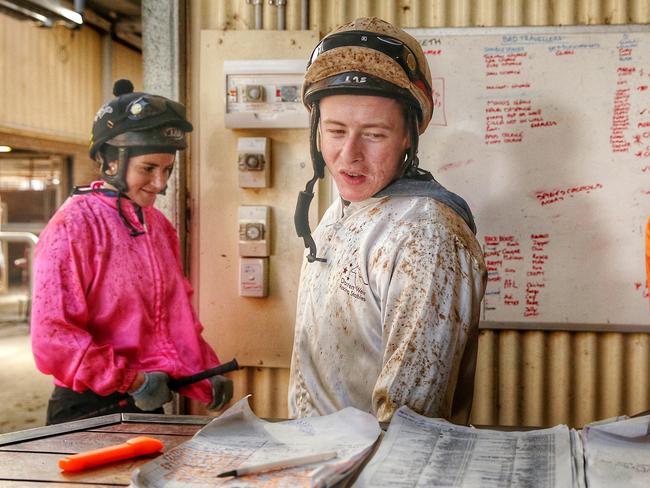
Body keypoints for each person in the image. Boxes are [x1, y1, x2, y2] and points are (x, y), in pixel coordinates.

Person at [289, 17, 487, 423]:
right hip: (318, 468)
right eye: (335, 130)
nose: (349, 155)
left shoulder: (426, 235)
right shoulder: (338, 212)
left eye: (374, 134)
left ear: (408, 137)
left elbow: (409, 419)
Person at [31, 80, 233, 425]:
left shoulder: (155, 225)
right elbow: (53, 335)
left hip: (145, 402)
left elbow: (171, 321)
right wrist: (131, 380)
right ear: (111, 163)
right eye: (148, 169)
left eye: (167, 169)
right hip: (87, 408)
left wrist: (203, 373)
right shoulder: (73, 225)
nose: (160, 184)